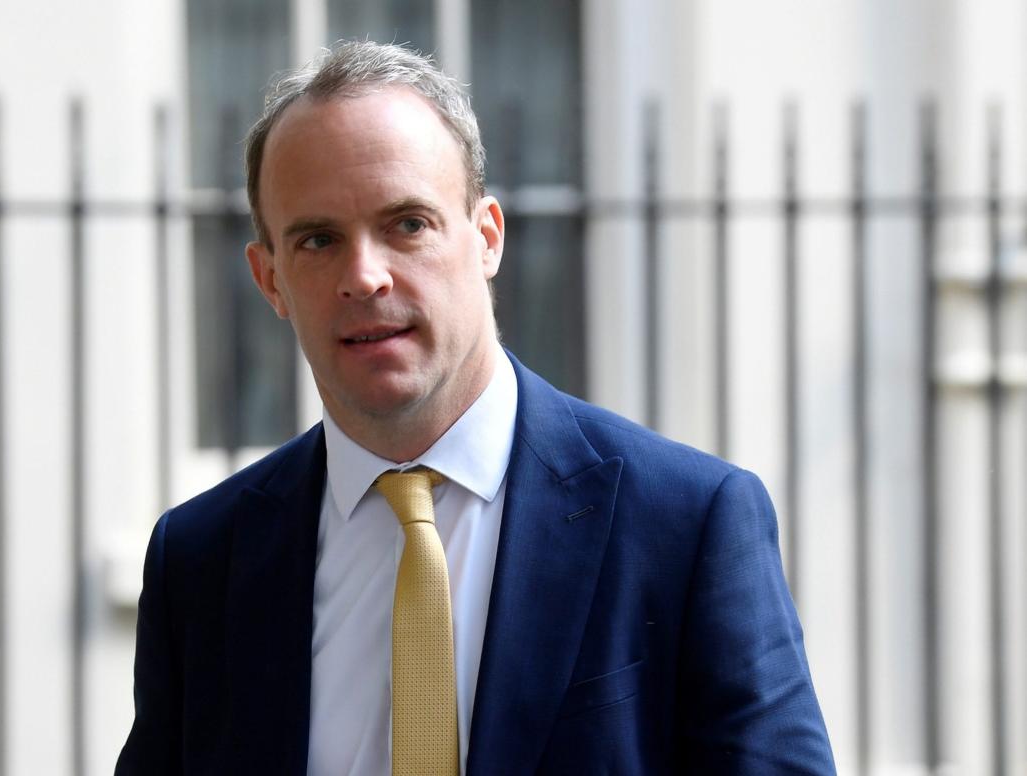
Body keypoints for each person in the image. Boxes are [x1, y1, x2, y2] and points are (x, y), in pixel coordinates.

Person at [115, 40, 835, 775]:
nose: (364, 276)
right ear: (269, 280)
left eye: (408, 224)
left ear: (486, 236)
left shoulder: (684, 524)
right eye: (319, 239)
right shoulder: (203, 561)